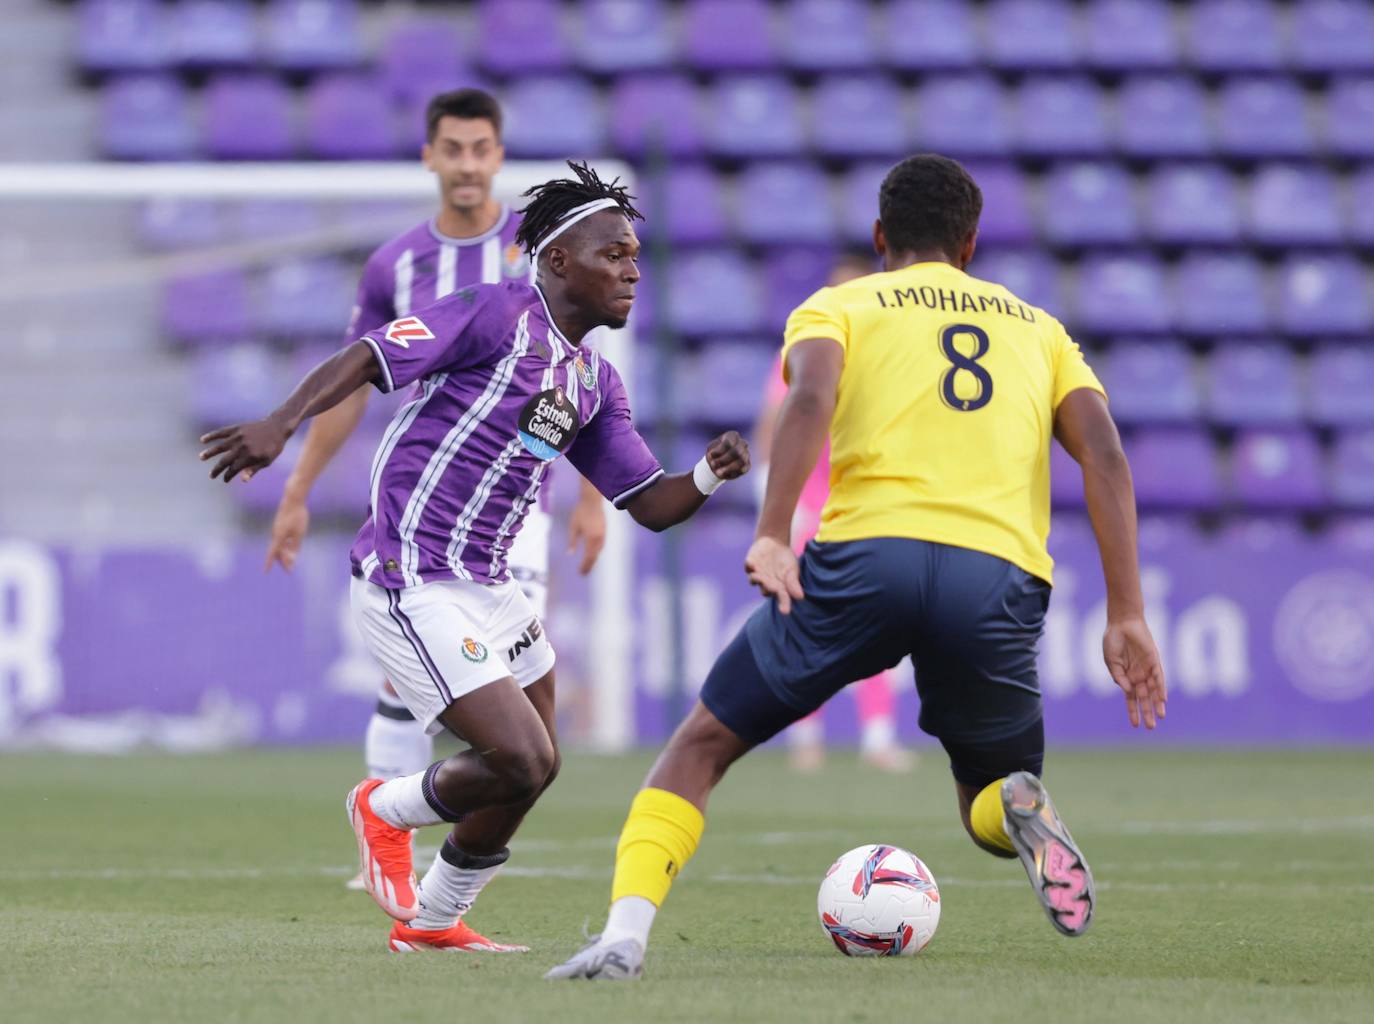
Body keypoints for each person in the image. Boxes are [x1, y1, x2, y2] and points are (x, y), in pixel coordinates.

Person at [548, 154, 1167, 981]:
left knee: (699, 747)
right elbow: (1107, 456)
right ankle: (1017, 807)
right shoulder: (1040, 329)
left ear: (881, 237)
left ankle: (623, 937)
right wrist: (1126, 612)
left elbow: (807, 402)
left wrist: (774, 531)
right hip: (998, 576)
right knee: (989, 788)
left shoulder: (839, 305)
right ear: (971, 243)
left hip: (866, 560)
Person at [199, 162, 750, 954]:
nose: (632, 269)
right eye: (614, 253)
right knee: (518, 757)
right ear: (560, 261)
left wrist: (707, 474)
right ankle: (383, 809)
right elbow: (366, 355)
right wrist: (281, 425)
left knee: (542, 762)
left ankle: (430, 923)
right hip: (411, 576)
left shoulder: (593, 383)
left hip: (492, 588)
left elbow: (652, 507)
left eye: (636, 255)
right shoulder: (492, 315)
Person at [261, 89, 609, 835]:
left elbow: (578, 376)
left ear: (499, 157)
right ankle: (389, 838)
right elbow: (355, 383)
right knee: (416, 675)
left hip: (521, 511)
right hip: (429, 504)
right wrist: (298, 487)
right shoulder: (396, 265)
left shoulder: (538, 247)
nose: (467, 164)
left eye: (481, 149)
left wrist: (590, 497)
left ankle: (447, 858)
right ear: (429, 157)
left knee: (510, 691)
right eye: (452, 149)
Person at [752, 250, 915, 774]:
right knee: (804, 622)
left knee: (878, 624)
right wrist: (769, 494)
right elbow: (774, 420)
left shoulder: (888, 358)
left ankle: (877, 737)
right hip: (811, 507)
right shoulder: (806, 350)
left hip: (869, 508)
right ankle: (805, 738)